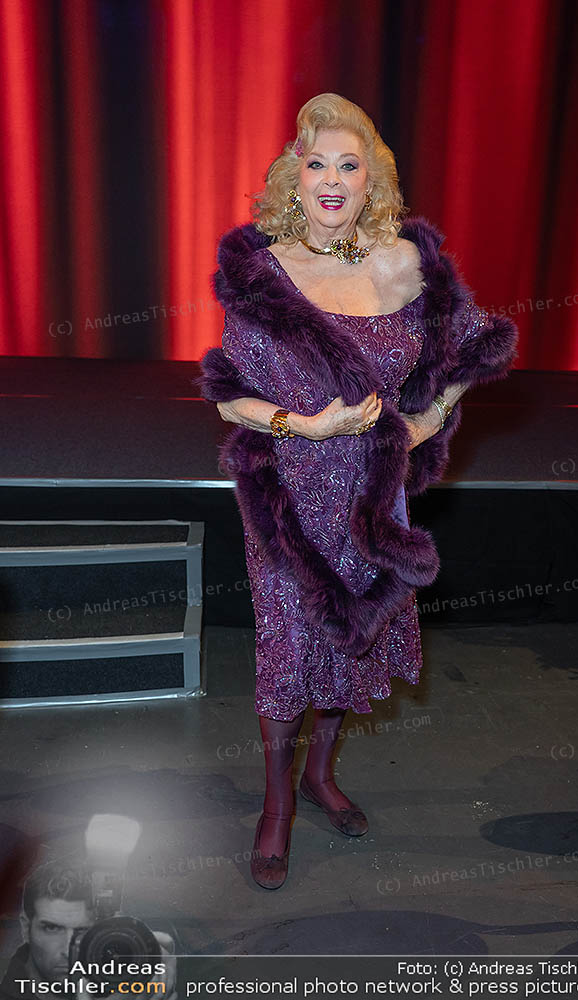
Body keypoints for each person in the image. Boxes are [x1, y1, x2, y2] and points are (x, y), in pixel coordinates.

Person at [196, 93, 518, 890]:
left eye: (350, 165)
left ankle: (320, 776)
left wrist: (426, 419)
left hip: (374, 499)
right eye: (318, 164)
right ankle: (277, 805)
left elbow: (476, 344)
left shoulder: (403, 263)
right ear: (294, 175)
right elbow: (228, 395)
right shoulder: (261, 275)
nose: (332, 180)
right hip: (286, 496)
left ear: (372, 180)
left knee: (350, 639)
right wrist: (302, 426)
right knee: (287, 649)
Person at [0, 858, 176, 999]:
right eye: (52, 929)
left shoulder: (127, 987)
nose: (68, 951)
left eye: (85, 932)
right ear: (26, 927)